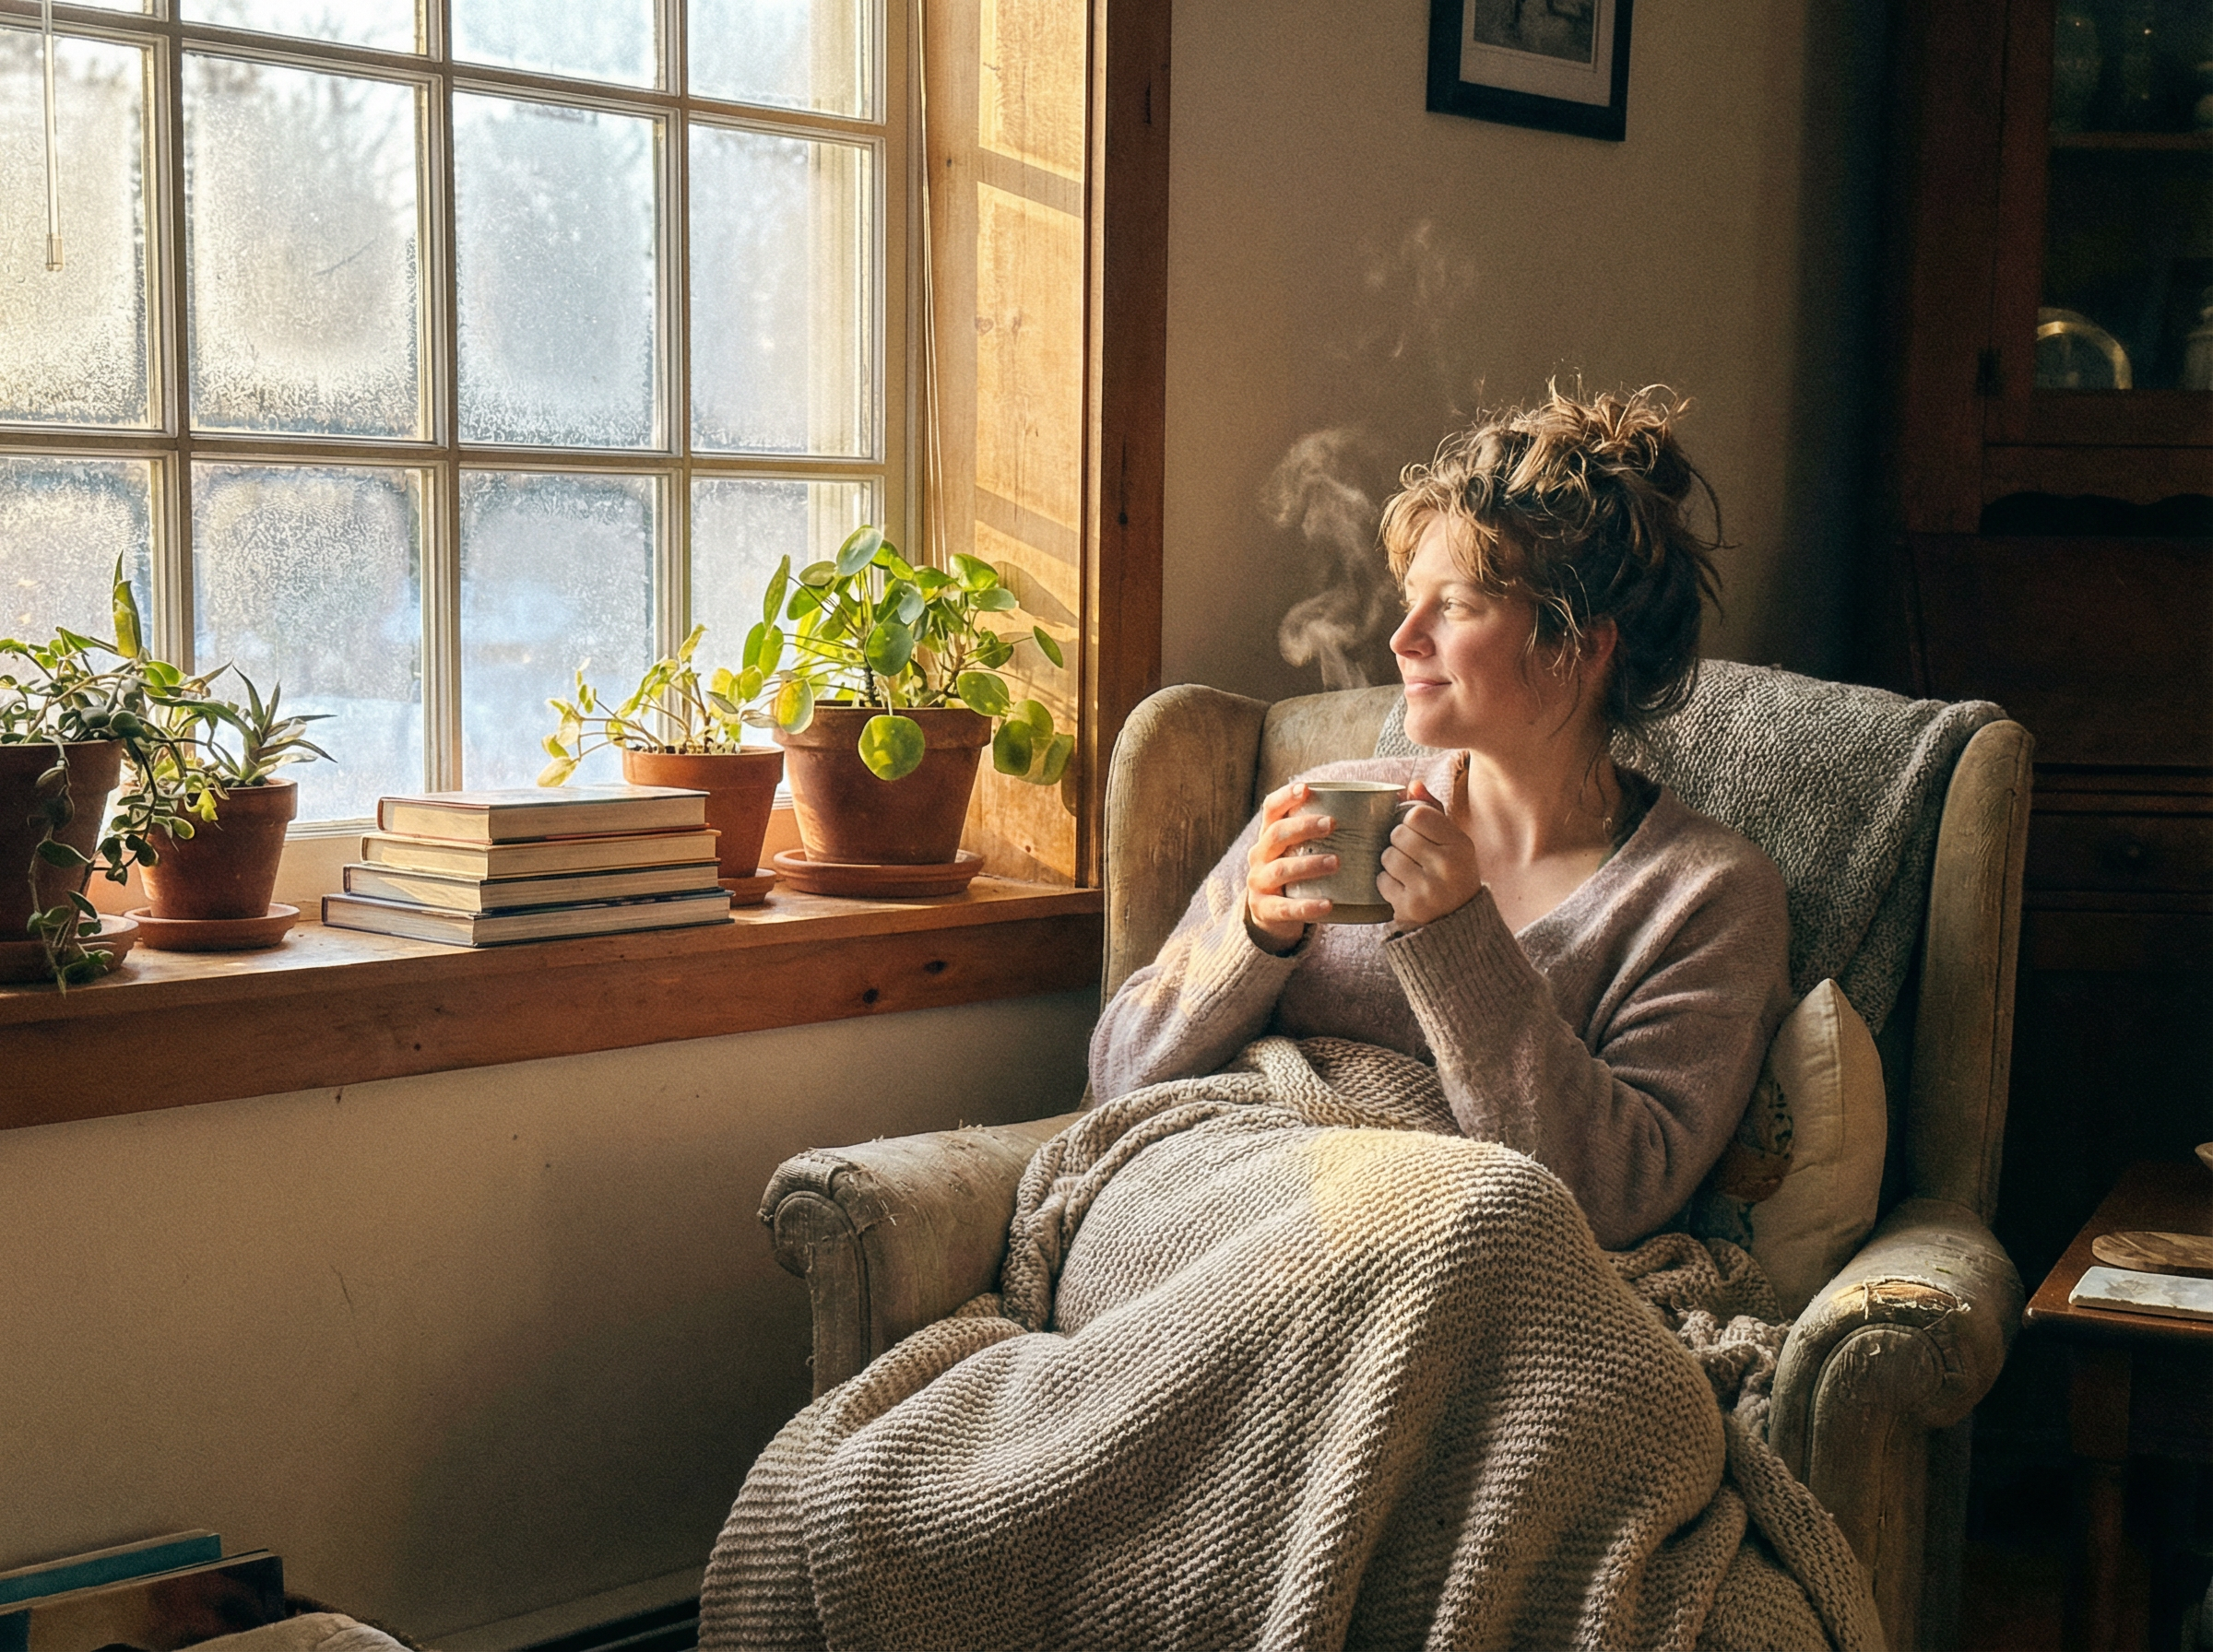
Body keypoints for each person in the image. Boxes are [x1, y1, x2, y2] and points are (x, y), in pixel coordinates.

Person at [1089, 386, 1792, 1249]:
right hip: (1216, 1206)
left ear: (1581, 644)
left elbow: (1620, 1191)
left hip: (1446, 1255)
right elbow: (1116, 1079)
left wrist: (1460, 940)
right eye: (1410, 598)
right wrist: (1254, 938)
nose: (1402, 637)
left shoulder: (1705, 899)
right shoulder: (1330, 807)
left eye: (1453, 606)